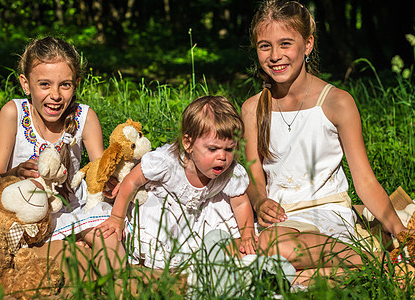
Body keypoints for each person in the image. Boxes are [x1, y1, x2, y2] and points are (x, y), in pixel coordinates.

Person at [241, 0, 407, 276]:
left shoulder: (336, 103)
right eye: (264, 46)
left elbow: (364, 180)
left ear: (307, 45)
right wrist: (259, 201)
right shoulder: (252, 108)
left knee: (272, 247)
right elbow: (253, 169)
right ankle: (357, 258)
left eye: (285, 44)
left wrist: (399, 231)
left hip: (327, 212)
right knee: (247, 247)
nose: (275, 55)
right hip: (280, 219)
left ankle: (367, 261)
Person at [0, 36, 123, 273]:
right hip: (27, 215)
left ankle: (120, 284)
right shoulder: (13, 114)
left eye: (65, 84)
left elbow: (100, 172)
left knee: (107, 235)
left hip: (74, 209)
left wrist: (109, 183)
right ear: (26, 84)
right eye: (44, 84)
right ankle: (69, 248)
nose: (56, 95)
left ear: (76, 83)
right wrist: (16, 173)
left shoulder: (84, 117)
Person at [96, 95, 257, 269]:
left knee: (220, 235)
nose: (222, 157)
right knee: (155, 243)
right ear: (188, 144)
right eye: (213, 149)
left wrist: (247, 232)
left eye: (229, 149)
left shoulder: (230, 171)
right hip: (166, 209)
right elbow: (131, 181)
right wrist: (117, 217)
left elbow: (240, 203)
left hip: (201, 212)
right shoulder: (168, 162)